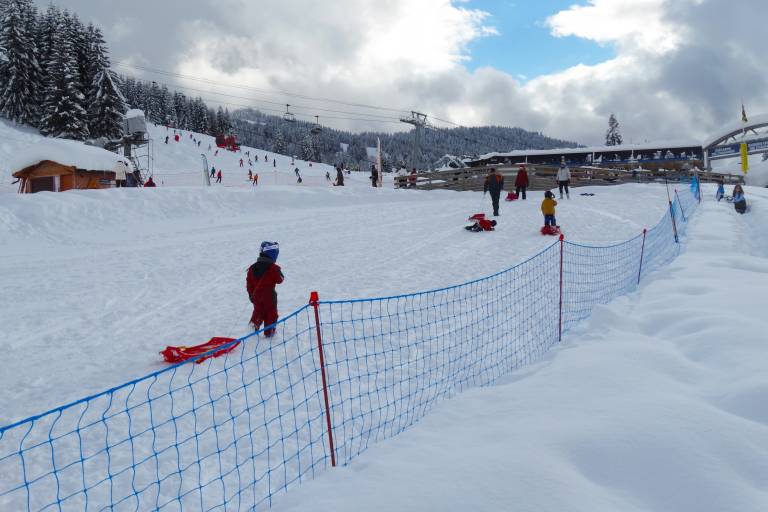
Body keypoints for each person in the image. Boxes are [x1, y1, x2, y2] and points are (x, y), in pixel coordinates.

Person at [246, 242, 284, 337]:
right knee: (271, 314)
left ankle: (253, 327)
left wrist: (251, 295)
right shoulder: (273, 268)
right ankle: (269, 332)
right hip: (269, 297)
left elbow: (249, 283)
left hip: (256, 297)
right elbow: (280, 279)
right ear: (273, 255)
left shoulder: (252, 267)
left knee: (258, 311)